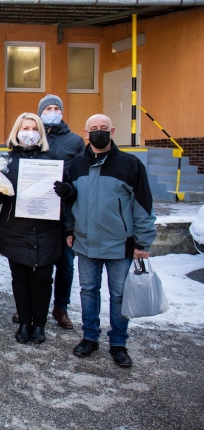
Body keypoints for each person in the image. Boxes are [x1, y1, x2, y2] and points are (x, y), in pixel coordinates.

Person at [66, 114, 157, 367]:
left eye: (103, 128)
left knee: (118, 295)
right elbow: (69, 201)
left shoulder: (130, 164)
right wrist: (69, 230)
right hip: (85, 242)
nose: (98, 132)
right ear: (85, 133)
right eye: (93, 129)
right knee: (88, 292)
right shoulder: (75, 165)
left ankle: (118, 342)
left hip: (120, 243)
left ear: (112, 131)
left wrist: (143, 243)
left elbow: (143, 206)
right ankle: (90, 337)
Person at [0, 113, 76, 345]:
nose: (29, 132)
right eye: (25, 128)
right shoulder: (6, 162)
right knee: (20, 279)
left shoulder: (53, 160)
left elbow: (70, 194)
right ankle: (25, 322)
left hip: (47, 230)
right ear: (17, 132)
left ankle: (40, 324)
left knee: (43, 280)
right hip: (16, 229)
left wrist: (67, 191)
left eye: (34, 128)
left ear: (41, 133)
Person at [35, 94, 86, 330]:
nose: (52, 112)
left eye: (56, 108)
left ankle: (61, 307)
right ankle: (34, 306)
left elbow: (82, 176)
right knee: (35, 262)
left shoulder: (74, 141)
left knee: (65, 264)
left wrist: (70, 190)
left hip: (65, 213)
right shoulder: (32, 136)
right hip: (37, 210)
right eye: (48, 109)